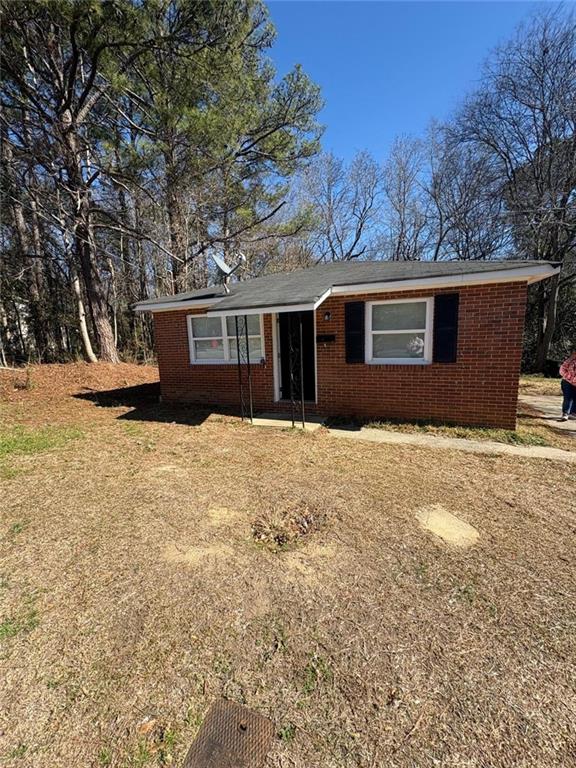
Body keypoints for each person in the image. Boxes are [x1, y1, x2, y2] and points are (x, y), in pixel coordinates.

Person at [559, 350, 576, 421]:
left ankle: (573, 413)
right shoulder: (569, 361)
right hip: (567, 382)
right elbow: (562, 370)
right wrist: (568, 377)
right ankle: (565, 413)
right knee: (568, 398)